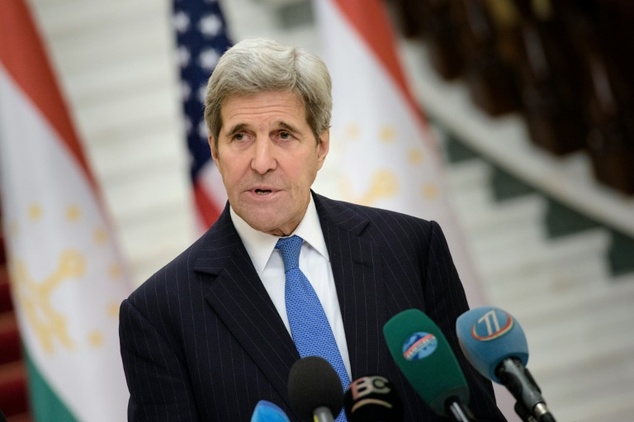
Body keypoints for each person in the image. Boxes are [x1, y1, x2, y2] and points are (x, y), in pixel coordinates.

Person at [119, 38, 506, 422]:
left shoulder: (410, 248)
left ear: (321, 147)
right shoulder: (159, 315)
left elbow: (472, 411)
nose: (262, 161)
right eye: (241, 136)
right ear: (216, 151)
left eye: (283, 135)